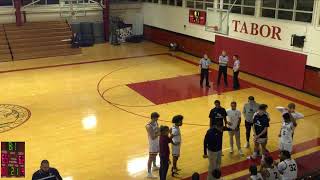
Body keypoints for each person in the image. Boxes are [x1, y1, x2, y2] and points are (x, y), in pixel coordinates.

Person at [146, 112, 160, 178]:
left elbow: (157, 130)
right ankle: (149, 173)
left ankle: (154, 166)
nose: (157, 119)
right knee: (151, 157)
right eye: (156, 118)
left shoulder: (156, 123)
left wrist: (159, 131)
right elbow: (153, 137)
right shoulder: (148, 126)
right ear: (153, 118)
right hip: (152, 143)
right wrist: (159, 133)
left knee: (155, 154)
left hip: (156, 141)